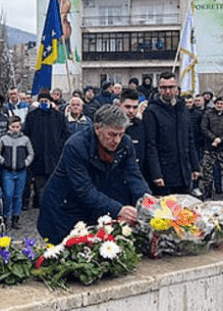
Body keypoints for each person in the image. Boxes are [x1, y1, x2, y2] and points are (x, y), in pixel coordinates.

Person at [38, 105, 150, 245]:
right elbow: (84, 189)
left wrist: (148, 203)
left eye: (121, 134)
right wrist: (118, 209)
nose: (117, 140)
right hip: (63, 209)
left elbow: (134, 176)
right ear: (97, 129)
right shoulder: (76, 146)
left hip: (92, 206)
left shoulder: (125, 144)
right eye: (112, 134)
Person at [142, 72, 200, 195]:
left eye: (171, 87)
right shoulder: (151, 111)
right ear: (158, 88)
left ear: (177, 89)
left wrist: (195, 166)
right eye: (164, 88)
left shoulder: (183, 109)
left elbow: (190, 139)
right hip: (164, 174)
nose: (167, 91)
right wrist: (156, 173)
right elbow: (150, 145)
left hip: (183, 172)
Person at [23, 91, 70, 209]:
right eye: (41, 101)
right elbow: (26, 134)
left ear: (50, 102)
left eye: (46, 101)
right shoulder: (32, 116)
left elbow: (66, 134)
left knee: (53, 181)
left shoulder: (58, 116)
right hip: (38, 156)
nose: (44, 103)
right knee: (39, 183)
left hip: (54, 155)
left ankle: (53, 203)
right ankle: (42, 203)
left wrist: (59, 146)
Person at [0, 116, 34, 229]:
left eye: (17, 127)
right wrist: (3, 161)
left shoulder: (25, 139)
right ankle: (6, 216)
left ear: (20, 127)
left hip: (21, 171)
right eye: (13, 127)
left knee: (18, 196)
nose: (15, 129)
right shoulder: (3, 139)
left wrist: (25, 163)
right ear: (9, 127)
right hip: (8, 171)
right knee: (8, 195)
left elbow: (31, 153)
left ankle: (15, 218)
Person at [200, 97, 223, 199]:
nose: (219, 105)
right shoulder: (208, 114)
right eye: (217, 103)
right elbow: (204, 128)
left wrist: (220, 139)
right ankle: (208, 191)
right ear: (214, 104)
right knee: (207, 170)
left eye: (221, 103)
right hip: (210, 147)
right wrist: (214, 138)